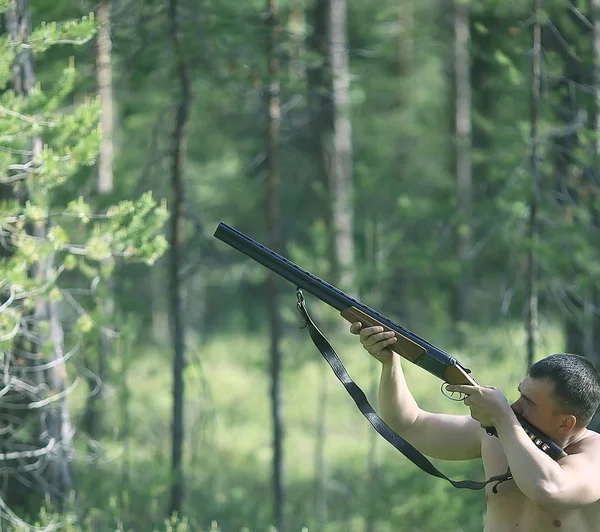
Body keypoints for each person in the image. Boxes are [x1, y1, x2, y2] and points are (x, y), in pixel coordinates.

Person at [350, 322, 600, 532]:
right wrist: (390, 362)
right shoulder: (501, 432)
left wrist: (503, 419)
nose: (514, 407)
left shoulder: (594, 454)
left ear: (566, 423)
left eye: (529, 403)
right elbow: (410, 423)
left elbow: (550, 490)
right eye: (519, 395)